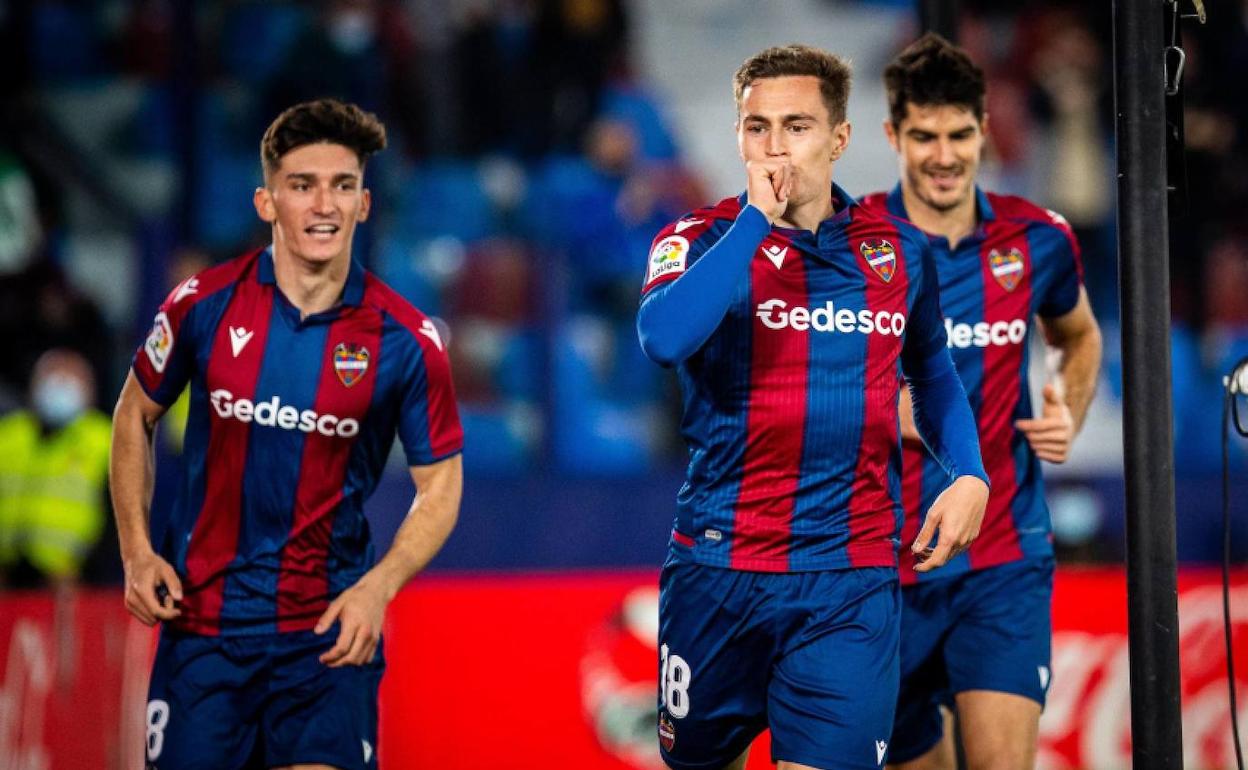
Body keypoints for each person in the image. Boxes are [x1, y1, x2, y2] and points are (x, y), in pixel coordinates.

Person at [636, 44, 991, 770]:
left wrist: (971, 473)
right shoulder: (695, 240)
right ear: (737, 136)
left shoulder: (898, 254)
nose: (773, 146)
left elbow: (934, 375)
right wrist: (754, 225)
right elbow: (663, 338)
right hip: (718, 570)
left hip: (847, 579)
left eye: (795, 126)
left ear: (839, 138)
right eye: (756, 127)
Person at [110, 98, 463, 770]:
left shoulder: (408, 341)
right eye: (302, 186)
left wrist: (378, 586)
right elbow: (134, 413)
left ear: (364, 204)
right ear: (267, 202)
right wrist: (135, 550)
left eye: (343, 185)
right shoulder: (202, 305)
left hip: (324, 639)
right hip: (203, 634)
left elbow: (440, 480)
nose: (324, 205)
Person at [859, 34, 1103, 770]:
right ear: (891, 134)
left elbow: (1079, 335)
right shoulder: (852, 243)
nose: (944, 155)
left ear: (985, 125)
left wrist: (1069, 404)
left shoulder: (1038, 238)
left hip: (1003, 554)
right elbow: (809, 384)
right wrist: (881, 411)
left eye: (960, 133)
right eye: (924, 136)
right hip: (884, 562)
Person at [0, 348, 111, 588]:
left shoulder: (105, 441)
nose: (60, 385)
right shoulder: (8, 436)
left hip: (73, 585)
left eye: (71, 378)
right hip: (9, 583)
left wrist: (91, 576)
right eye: (53, 375)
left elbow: (118, 522)